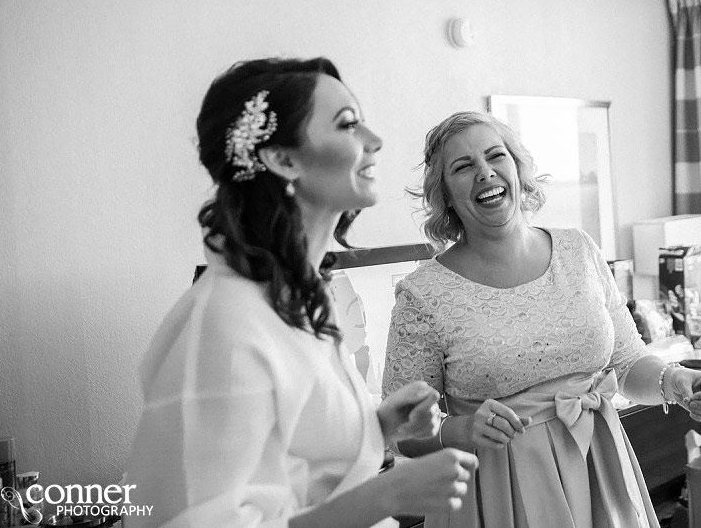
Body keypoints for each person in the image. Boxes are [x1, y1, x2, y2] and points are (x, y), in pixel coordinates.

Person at [126, 58, 478, 527]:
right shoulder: (226, 324)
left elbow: (291, 464)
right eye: (348, 124)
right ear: (283, 159)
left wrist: (378, 425)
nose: (375, 140)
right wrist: (387, 495)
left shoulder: (302, 297)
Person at [382, 110, 701, 528]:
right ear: (444, 194)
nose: (484, 172)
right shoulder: (424, 294)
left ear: (518, 168)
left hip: (601, 470)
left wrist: (673, 381)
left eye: (495, 156)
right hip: (498, 491)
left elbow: (627, 364)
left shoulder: (579, 250)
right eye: (463, 167)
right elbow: (400, 429)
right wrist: (459, 431)